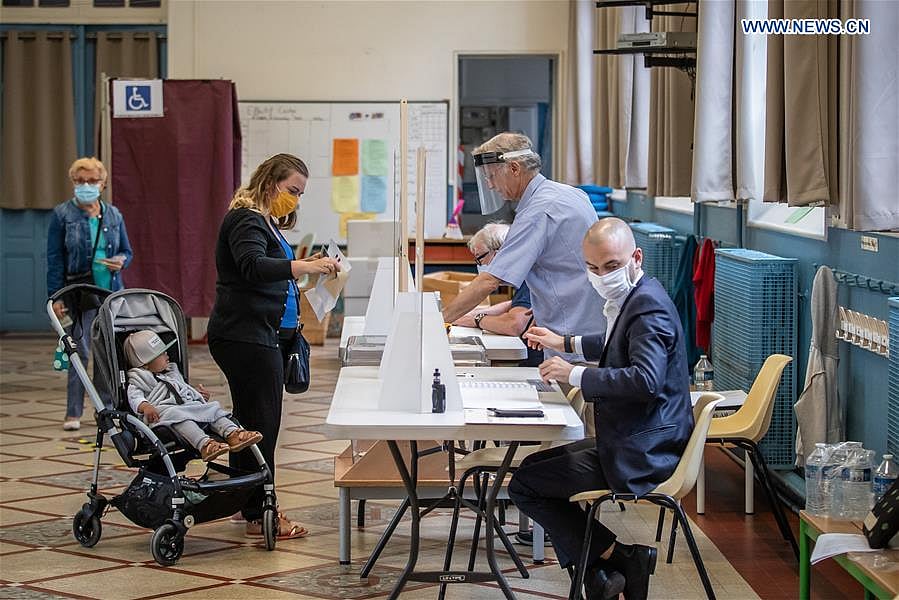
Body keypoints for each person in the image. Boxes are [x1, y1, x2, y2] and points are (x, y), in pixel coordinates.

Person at [510, 218, 693, 600]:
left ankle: (617, 561)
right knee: (530, 472)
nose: (602, 276)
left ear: (635, 257)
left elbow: (645, 380)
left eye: (611, 266)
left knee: (526, 486)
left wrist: (574, 374)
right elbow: (615, 341)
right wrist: (565, 341)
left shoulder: (648, 309)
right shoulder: (639, 296)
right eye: (592, 268)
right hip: (631, 438)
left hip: (644, 451)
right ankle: (608, 569)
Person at [207, 153, 339, 541]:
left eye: (300, 194)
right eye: (291, 190)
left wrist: (301, 271)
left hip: (259, 334)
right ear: (269, 183)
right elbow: (252, 266)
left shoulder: (264, 221)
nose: (295, 199)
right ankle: (260, 511)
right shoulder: (245, 218)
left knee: (250, 422)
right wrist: (302, 267)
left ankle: (241, 499)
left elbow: (268, 270)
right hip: (244, 335)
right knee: (263, 423)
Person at [441, 133, 605, 362]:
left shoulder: (538, 210)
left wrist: (440, 320)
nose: (489, 185)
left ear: (515, 169)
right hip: (587, 326)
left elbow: (490, 280)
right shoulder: (567, 193)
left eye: (492, 176)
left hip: (571, 334)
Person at [47, 157, 133, 431]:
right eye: (81, 181)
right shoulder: (62, 215)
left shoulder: (113, 214)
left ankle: (105, 411)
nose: (86, 185)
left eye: (92, 181)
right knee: (79, 352)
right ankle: (73, 412)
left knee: (107, 353)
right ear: (73, 182)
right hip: (79, 293)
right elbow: (54, 258)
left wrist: (120, 260)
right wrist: (56, 296)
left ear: (102, 183)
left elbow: (127, 252)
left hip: (109, 292)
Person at [124, 330, 263, 462]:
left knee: (212, 410)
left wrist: (197, 395)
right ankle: (205, 445)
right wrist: (146, 406)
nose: (167, 355)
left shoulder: (171, 374)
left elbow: (183, 390)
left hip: (186, 407)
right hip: (165, 414)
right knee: (183, 419)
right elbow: (134, 397)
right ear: (146, 364)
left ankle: (233, 433)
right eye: (161, 354)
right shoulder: (139, 380)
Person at [452, 222, 542, 367]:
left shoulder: (529, 277)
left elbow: (514, 324)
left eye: (480, 258)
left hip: (537, 364)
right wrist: (470, 313)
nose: (480, 265)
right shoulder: (523, 275)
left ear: (501, 252)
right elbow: (514, 304)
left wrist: (477, 319)